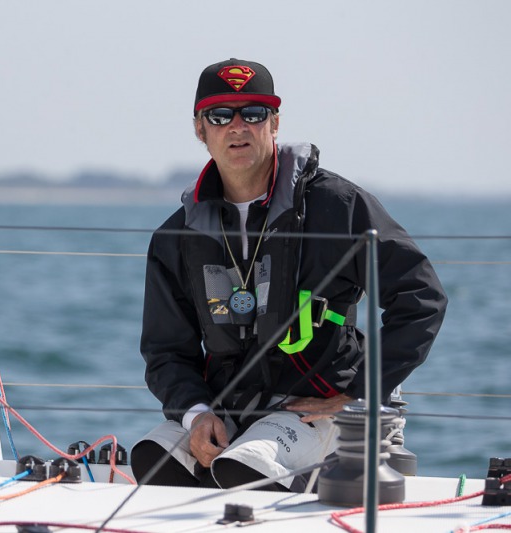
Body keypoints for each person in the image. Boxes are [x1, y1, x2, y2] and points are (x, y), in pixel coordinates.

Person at [129, 58, 447, 491]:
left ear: (274, 123)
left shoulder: (338, 207)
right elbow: (166, 351)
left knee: (248, 470)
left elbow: (421, 297)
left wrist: (357, 395)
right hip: (226, 407)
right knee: (152, 462)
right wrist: (196, 412)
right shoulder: (177, 235)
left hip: (317, 404)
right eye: (220, 115)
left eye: (254, 113)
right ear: (200, 129)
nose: (237, 126)